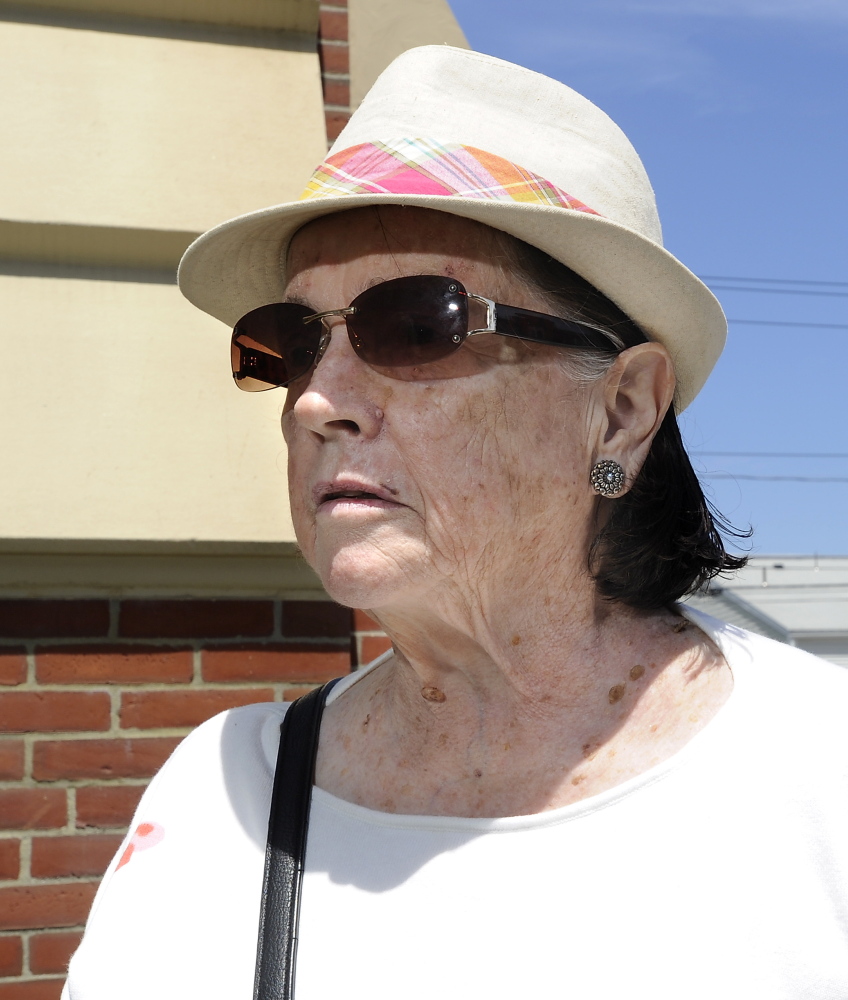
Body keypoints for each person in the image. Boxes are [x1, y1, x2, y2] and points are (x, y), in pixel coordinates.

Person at [64, 46, 848, 999]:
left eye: (416, 325)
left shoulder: (822, 770)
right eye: (293, 342)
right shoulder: (220, 796)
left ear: (624, 410)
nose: (317, 401)